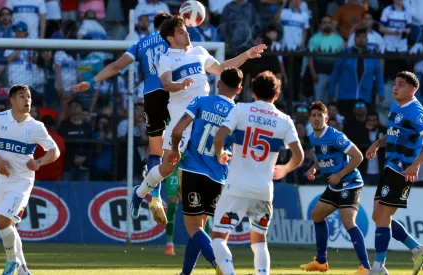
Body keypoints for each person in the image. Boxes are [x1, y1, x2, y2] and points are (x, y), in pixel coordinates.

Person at [129, 16, 266, 225]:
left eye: (186, 30)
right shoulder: (166, 58)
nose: (186, 33)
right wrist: (180, 85)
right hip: (181, 123)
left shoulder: (200, 52)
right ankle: (139, 193)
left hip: (203, 120)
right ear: (170, 38)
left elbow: (223, 68)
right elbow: (166, 83)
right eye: (181, 32)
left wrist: (247, 55)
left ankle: (209, 222)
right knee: (166, 169)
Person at [71, 13, 173, 229]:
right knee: (179, 151)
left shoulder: (142, 43)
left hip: (152, 98)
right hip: (175, 98)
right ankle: (151, 192)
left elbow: (116, 66)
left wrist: (91, 81)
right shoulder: (177, 40)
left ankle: (153, 195)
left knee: (155, 152)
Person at [211, 71, 304, 275]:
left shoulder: (240, 109)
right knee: (259, 240)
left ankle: (229, 272)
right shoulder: (285, 120)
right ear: (277, 95)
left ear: (252, 92)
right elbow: (299, 155)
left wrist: (220, 154)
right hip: (263, 190)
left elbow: (219, 138)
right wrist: (285, 168)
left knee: (218, 236)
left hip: (236, 186)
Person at [169, 68, 243, 275]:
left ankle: (223, 267)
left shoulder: (200, 101)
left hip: (192, 170)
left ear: (218, 83)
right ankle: (185, 273)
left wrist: (175, 149)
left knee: (193, 228)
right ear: (239, 89)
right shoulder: (238, 113)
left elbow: (177, 130)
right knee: (200, 226)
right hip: (219, 176)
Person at [0, 84, 60, 275]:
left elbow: (54, 151)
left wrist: (39, 162)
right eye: (22, 96)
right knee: (8, 226)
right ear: (12, 100)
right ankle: (23, 270)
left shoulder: (36, 126)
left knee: (2, 220)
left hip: (22, 182)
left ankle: (11, 262)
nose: (27, 100)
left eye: (29, 97)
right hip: (2, 180)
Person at [366, 71, 423, 275]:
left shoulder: (415, 111)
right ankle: (417, 249)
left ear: (413, 90)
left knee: (383, 216)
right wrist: (378, 144)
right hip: (390, 165)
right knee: (377, 215)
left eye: (401, 85)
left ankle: (379, 267)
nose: (395, 88)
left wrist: (415, 165)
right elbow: (393, 134)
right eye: (395, 83)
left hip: (403, 169)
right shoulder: (395, 105)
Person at [300, 101, 370, 274]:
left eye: (319, 115)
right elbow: (323, 158)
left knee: (348, 222)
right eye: (313, 115)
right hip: (335, 185)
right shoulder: (313, 136)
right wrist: (314, 168)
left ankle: (365, 267)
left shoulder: (335, 136)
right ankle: (321, 262)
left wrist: (339, 174)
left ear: (326, 117)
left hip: (350, 183)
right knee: (317, 215)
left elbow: (358, 157)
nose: (316, 119)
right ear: (309, 118)